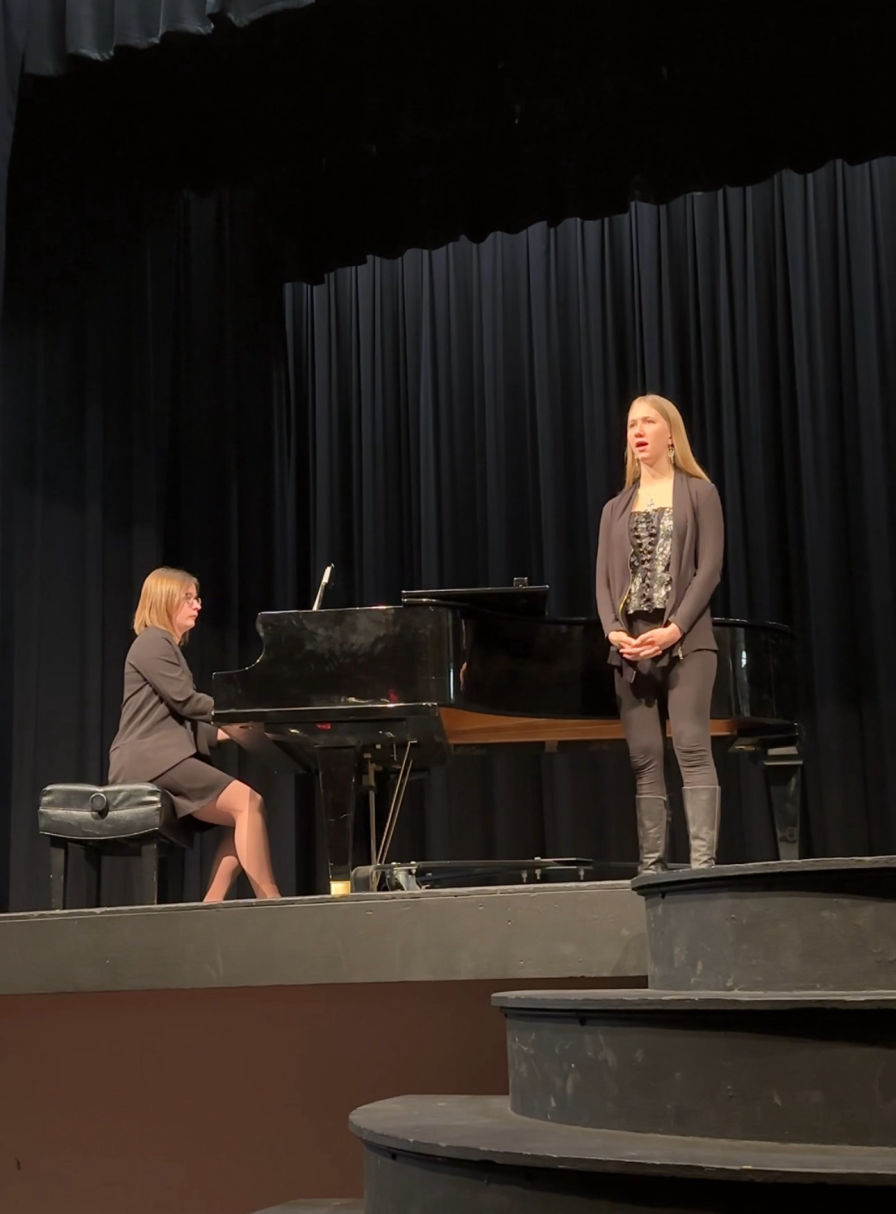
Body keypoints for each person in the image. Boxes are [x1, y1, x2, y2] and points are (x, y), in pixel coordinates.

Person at [595, 394, 724, 872]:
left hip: (686, 641)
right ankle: (652, 867)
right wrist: (614, 631)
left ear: (671, 433)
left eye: (648, 422)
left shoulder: (699, 493)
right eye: (632, 424)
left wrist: (674, 629)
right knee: (645, 759)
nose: (638, 431)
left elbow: (708, 570)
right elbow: (604, 582)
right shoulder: (615, 508)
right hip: (631, 646)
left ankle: (702, 866)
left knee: (690, 746)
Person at [109, 567, 281, 901]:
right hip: (148, 761)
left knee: (245, 815)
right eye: (188, 598)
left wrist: (237, 730)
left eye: (197, 598)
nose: (197, 605)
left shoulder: (161, 646)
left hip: (159, 757)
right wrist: (240, 712)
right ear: (164, 601)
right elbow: (186, 702)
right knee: (249, 802)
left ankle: (210, 907)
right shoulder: (153, 641)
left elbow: (177, 722)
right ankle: (270, 901)